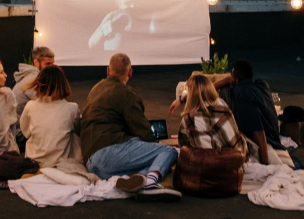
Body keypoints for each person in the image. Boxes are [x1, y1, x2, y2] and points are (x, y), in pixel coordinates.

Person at [81, 53, 181, 202]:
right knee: (169, 152)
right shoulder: (127, 94)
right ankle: (150, 183)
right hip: (110, 153)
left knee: (149, 160)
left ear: (108, 71)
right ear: (130, 72)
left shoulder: (95, 89)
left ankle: (139, 180)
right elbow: (144, 133)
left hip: (91, 163)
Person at [19, 65, 82, 168]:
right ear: (63, 83)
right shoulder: (72, 109)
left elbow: (25, 133)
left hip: (35, 163)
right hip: (60, 164)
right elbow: (79, 131)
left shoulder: (30, 106)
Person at [227, 59, 283, 165]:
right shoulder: (262, 84)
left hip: (266, 144)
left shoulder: (241, 93)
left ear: (236, 80)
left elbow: (257, 130)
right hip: (275, 138)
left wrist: (265, 164)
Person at [177, 74, 248, 155]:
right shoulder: (221, 105)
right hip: (234, 158)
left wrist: (180, 99)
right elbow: (237, 145)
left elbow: (183, 146)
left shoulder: (187, 119)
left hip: (204, 163)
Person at [12, 47, 55, 149]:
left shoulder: (29, 76)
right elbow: (47, 109)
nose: (51, 68)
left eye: (52, 64)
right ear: (36, 62)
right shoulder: (34, 80)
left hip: (18, 129)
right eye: (48, 64)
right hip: (20, 134)